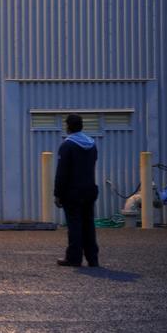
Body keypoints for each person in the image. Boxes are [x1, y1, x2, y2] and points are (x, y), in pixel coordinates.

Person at [54, 113, 99, 267]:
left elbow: (62, 173)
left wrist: (58, 194)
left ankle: (74, 258)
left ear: (68, 126)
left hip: (72, 193)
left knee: (75, 225)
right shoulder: (92, 144)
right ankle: (93, 258)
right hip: (89, 190)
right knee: (89, 224)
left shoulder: (67, 145)